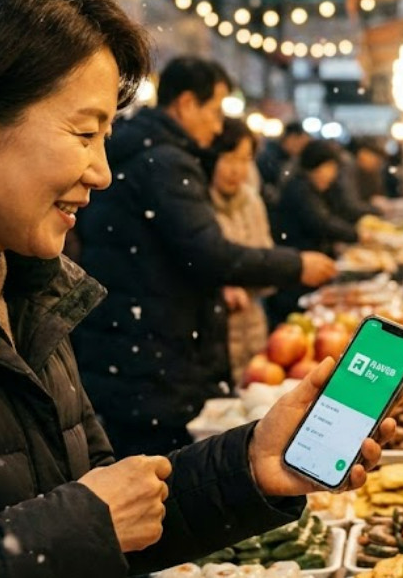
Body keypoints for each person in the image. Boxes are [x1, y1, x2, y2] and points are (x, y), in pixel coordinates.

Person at [0, 0, 390, 575]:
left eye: (107, 135)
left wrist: (248, 468)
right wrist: (82, 523)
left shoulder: (22, 284)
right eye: (84, 133)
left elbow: (106, 513)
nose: (101, 172)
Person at [73, 56, 337, 457]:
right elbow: (207, 252)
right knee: (163, 473)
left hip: (131, 345)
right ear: (185, 104)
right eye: (214, 111)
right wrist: (297, 265)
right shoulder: (164, 161)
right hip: (153, 351)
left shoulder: (141, 152)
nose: (217, 127)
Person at [206, 118, 276, 383]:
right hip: (215, 339)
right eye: (229, 159)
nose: (237, 170)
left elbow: (267, 265)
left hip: (255, 330)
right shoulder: (197, 204)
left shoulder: (252, 201)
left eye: (245, 160)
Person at [267, 140, 361, 324]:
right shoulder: (299, 189)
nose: (332, 175)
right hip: (296, 272)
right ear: (316, 165)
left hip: (302, 267)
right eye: (329, 167)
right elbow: (321, 222)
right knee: (295, 322)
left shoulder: (310, 187)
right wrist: (357, 235)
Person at [256, 121, 310, 207]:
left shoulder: (292, 160)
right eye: (301, 143)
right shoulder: (269, 157)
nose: (302, 149)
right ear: (291, 138)